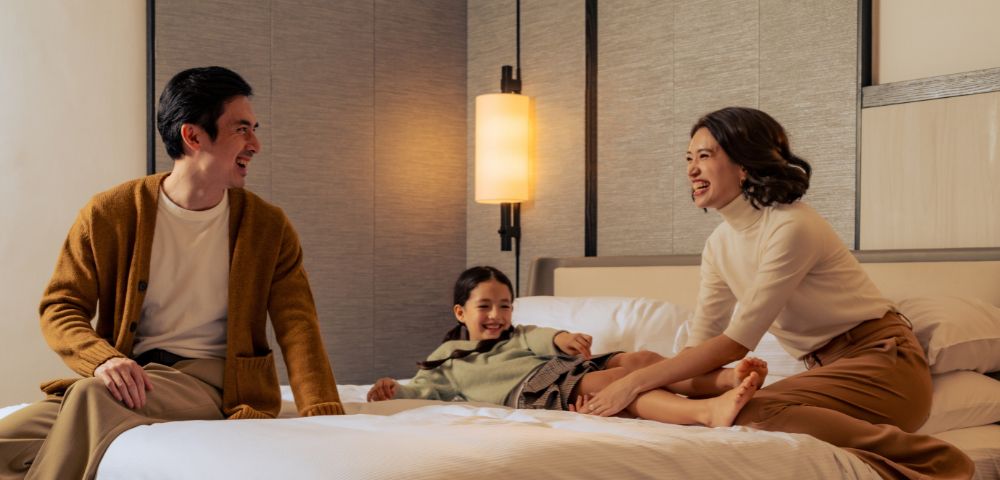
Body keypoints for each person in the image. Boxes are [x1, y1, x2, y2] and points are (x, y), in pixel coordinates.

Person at [576, 107, 975, 479]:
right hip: (824, 369)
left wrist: (635, 383)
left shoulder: (791, 226)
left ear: (744, 164)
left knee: (753, 410)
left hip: (883, 363)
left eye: (704, 156)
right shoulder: (719, 243)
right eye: (688, 158)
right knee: (670, 383)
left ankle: (938, 460)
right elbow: (700, 343)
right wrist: (643, 380)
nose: (691, 170)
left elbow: (736, 342)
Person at [0, 66, 344, 479]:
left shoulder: (267, 227)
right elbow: (60, 305)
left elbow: (297, 325)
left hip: (215, 382)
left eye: (254, 129)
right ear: (193, 136)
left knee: (92, 399)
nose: (256, 144)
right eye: (241, 130)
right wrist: (102, 360)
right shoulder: (110, 213)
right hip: (131, 374)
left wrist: (324, 413)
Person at [367, 266, 765, 428]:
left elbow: (543, 337)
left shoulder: (517, 333)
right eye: (484, 306)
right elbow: (421, 389)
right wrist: (393, 390)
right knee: (620, 381)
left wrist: (565, 339)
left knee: (640, 359)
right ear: (459, 312)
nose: (496, 314)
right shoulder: (447, 358)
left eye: (505, 305)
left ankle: (727, 379)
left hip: (564, 368)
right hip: (531, 389)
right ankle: (705, 412)